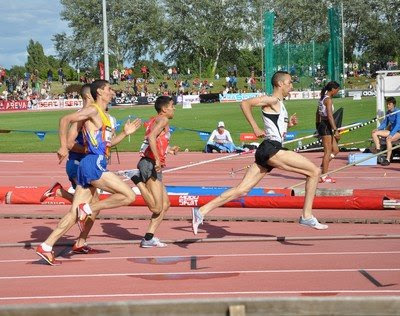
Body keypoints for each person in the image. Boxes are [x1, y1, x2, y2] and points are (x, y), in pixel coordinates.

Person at [192, 71, 326, 235]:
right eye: (289, 83)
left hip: (267, 148)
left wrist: (289, 124)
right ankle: (306, 215)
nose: (292, 86)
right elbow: (245, 103)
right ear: (280, 84)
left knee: (242, 189)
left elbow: (275, 130)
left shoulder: (280, 104)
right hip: (271, 149)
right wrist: (255, 127)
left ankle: (201, 212)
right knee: (314, 171)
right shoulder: (272, 99)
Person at [36, 80, 142, 265]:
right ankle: (89, 209)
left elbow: (107, 145)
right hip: (94, 164)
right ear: (100, 91)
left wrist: (125, 133)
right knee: (128, 195)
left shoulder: (105, 116)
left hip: (90, 164)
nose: (112, 91)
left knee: (74, 213)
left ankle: (46, 246)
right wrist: (63, 146)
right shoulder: (93, 110)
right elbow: (65, 120)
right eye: (109, 89)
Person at [130, 96, 179, 248]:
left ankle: (148, 238)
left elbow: (151, 141)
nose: (174, 108)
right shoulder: (163, 120)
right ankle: (136, 179)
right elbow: (151, 137)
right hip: (150, 164)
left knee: (165, 205)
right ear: (164, 109)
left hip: (152, 163)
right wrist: (157, 159)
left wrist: (168, 150)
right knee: (156, 207)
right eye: (172, 106)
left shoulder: (155, 120)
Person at [315, 81, 341, 183]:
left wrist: (317, 125)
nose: (337, 92)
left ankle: (322, 168)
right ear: (333, 89)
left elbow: (317, 113)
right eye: (337, 90)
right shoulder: (328, 100)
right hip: (326, 126)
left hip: (324, 125)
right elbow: (330, 116)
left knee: (336, 150)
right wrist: (336, 130)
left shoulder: (322, 98)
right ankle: (324, 176)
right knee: (327, 152)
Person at [372, 97, 400, 166]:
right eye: (387, 104)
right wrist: (378, 129)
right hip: (392, 131)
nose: (387, 106)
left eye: (389, 104)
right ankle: (378, 151)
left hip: (398, 131)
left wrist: (391, 134)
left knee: (388, 139)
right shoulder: (388, 112)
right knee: (374, 133)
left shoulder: (398, 112)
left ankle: (387, 159)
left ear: (393, 104)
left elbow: (398, 125)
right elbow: (385, 123)